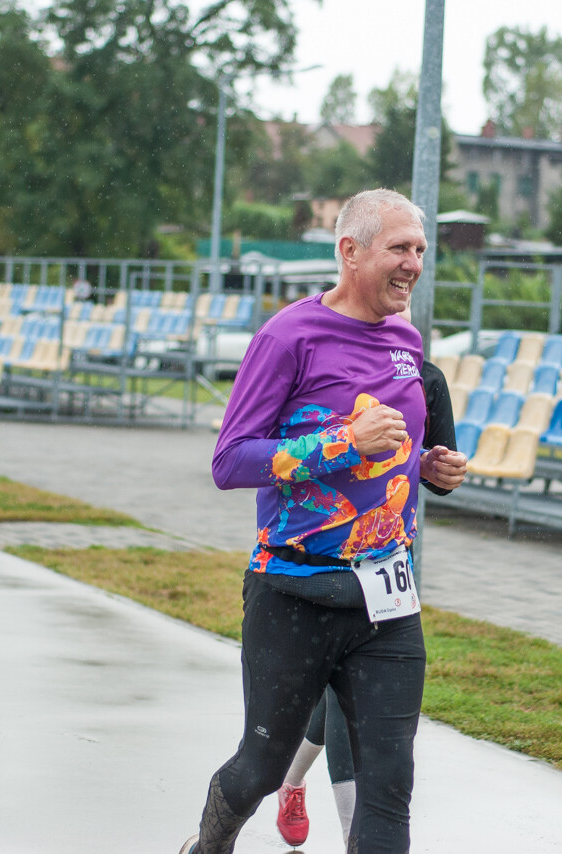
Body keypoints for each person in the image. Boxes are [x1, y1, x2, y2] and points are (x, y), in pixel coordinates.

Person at [179, 189, 467, 854]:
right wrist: (341, 443)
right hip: (294, 593)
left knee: (389, 786)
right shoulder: (289, 337)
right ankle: (208, 846)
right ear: (350, 252)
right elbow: (229, 461)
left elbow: (386, 453)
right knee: (260, 771)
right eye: (400, 248)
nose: (414, 264)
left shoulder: (407, 341)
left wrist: (425, 467)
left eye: (421, 250)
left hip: (387, 601)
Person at [275, 306, 464, 848]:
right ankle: (322, 811)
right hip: (320, 559)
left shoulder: (426, 379)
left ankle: (298, 786)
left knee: (348, 700)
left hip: (388, 569)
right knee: (335, 698)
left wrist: (442, 469)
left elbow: (438, 471)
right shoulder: (327, 364)